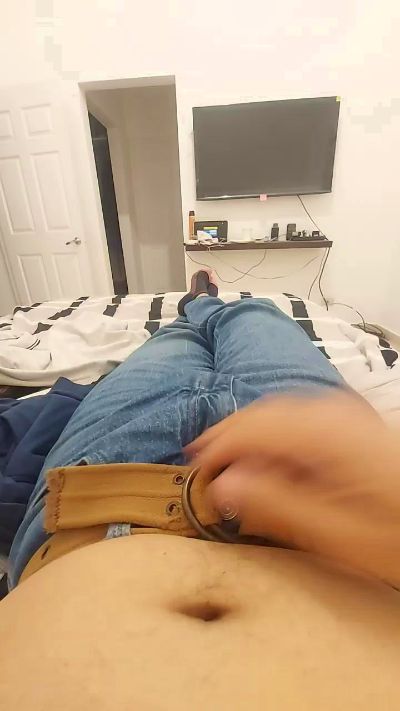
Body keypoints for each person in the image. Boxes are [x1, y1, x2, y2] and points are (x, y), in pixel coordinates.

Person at [1, 271, 400, 709]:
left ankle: (197, 304)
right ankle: (207, 302)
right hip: (319, 460)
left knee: (173, 339)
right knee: (258, 315)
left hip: (106, 479)